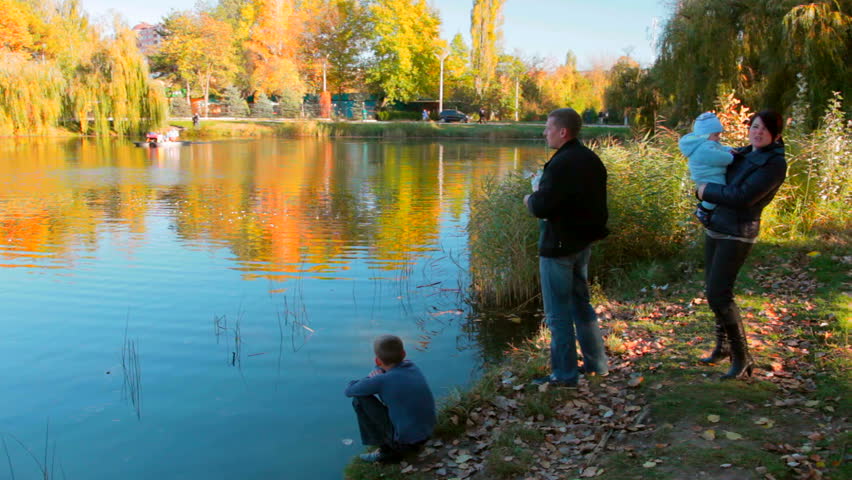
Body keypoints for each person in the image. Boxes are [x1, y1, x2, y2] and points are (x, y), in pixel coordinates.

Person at [696, 110, 787, 379]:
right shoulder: (745, 152)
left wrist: (704, 190)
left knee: (719, 294)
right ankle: (722, 348)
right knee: (713, 291)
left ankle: (742, 357)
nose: (757, 132)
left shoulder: (774, 163)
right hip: (717, 226)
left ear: (776, 135)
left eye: (764, 130)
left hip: (738, 232)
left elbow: (744, 196)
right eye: (754, 126)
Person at [523, 108, 610, 387]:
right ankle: (597, 365)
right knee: (580, 305)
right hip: (582, 243)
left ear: (563, 132)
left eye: (548, 128)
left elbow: (542, 206)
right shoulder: (591, 159)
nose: (544, 132)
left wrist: (530, 197)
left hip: (559, 247)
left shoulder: (561, 164)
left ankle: (564, 374)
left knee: (557, 313)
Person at [344, 335, 435, 464]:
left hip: (406, 443)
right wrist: (379, 370)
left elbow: (349, 390)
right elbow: (391, 373)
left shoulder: (381, 380)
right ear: (403, 354)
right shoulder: (412, 367)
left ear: (377, 360)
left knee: (359, 399)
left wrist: (371, 377)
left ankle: (386, 451)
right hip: (427, 432)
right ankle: (391, 444)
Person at [679, 112, 735, 226]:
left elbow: (720, 148)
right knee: (715, 195)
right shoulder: (703, 149)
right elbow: (719, 157)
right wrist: (730, 157)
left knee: (718, 193)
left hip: (709, 175)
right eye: (716, 135)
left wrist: (729, 149)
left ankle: (708, 210)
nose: (718, 138)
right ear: (705, 135)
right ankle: (703, 211)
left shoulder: (708, 143)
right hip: (707, 177)